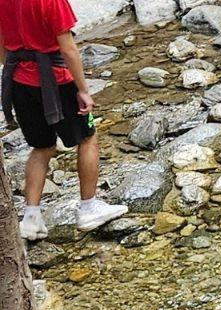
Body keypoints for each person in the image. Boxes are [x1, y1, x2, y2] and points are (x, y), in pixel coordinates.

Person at [0, 0, 127, 239]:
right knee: (88, 138)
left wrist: (15, 70)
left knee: (42, 147)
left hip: (20, 82)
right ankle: (89, 207)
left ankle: (31, 218)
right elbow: (68, 49)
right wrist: (83, 90)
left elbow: (2, 44)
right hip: (57, 81)